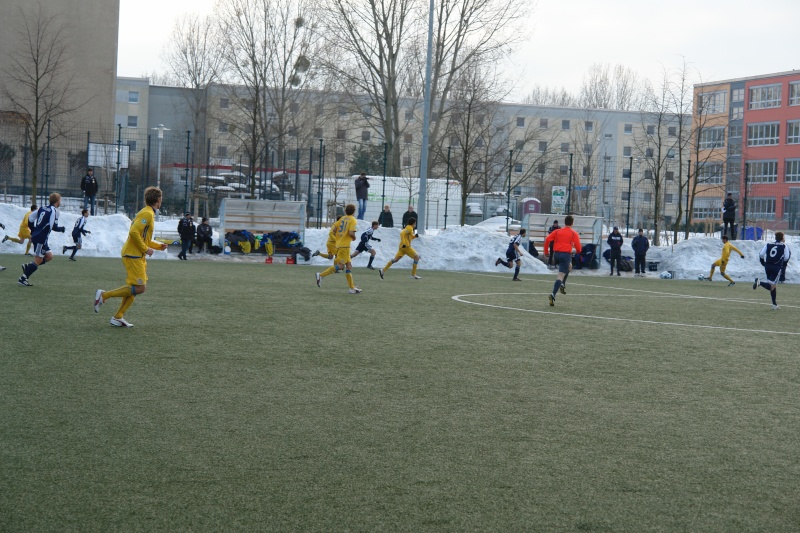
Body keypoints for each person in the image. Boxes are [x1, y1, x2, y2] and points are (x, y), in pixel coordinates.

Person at [93, 186, 169, 327]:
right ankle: (104, 295)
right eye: (161, 199)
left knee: (135, 288)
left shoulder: (147, 213)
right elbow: (134, 232)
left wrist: (158, 246)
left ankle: (118, 316)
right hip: (133, 255)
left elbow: (142, 237)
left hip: (136, 255)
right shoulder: (147, 214)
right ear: (158, 200)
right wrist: (146, 249)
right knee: (140, 288)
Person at [18, 193, 66, 286]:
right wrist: (61, 229)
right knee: (38, 259)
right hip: (41, 238)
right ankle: (23, 279)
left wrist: (34, 229)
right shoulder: (55, 211)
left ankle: (28, 266)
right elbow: (53, 226)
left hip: (40, 237)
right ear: (57, 201)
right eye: (60, 200)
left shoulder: (43, 207)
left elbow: (30, 218)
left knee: (49, 256)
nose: (60, 201)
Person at [315, 204, 362, 293]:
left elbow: (333, 229)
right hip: (344, 247)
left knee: (349, 266)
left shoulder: (342, 219)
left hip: (341, 245)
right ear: (354, 211)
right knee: (340, 266)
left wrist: (339, 236)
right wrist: (354, 237)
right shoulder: (353, 220)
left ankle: (352, 288)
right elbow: (351, 233)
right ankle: (320, 275)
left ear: (345, 211)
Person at [544, 215, 581, 306]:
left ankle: (563, 284)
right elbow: (579, 248)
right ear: (572, 223)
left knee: (569, 266)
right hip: (565, 255)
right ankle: (553, 294)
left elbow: (547, 239)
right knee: (560, 275)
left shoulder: (557, 231)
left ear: (565, 222)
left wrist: (546, 252)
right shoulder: (573, 233)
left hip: (556, 255)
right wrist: (578, 251)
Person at [754, 231, 791, 310]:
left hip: (767, 266)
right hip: (776, 267)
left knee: (772, 285)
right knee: (772, 286)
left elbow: (761, 254)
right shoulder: (784, 246)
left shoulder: (768, 244)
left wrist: (763, 262)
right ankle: (759, 282)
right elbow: (787, 257)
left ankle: (774, 304)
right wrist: (781, 262)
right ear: (782, 238)